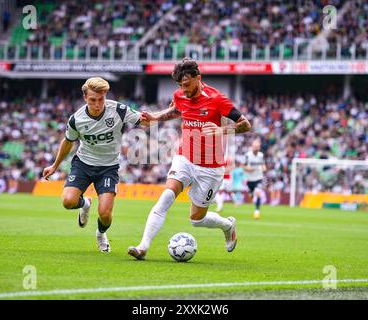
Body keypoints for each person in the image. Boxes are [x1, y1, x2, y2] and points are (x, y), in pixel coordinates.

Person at [128, 58, 251, 260]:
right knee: (167, 196)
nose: (183, 90)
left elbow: (245, 124)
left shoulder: (217, 99)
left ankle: (228, 225)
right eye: (180, 86)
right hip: (185, 157)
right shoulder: (180, 95)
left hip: (210, 166)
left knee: (196, 219)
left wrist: (222, 130)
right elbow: (177, 109)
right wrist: (155, 117)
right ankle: (143, 247)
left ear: (198, 78)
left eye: (186, 84)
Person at [42, 77, 149, 253]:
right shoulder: (76, 119)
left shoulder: (118, 110)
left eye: (101, 100)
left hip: (108, 167)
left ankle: (100, 234)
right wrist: (54, 166)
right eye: (93, 100)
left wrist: (171, 112)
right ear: (85, 98)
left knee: (105, 215)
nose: (97, 104)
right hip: (83, 164)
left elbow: (147, 120)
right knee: (68, 201)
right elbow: (68, 142)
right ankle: (85, 204)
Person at [243, 138, 267, 219]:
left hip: (258, 178)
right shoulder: (247, 155)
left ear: (259, 148)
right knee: (251, 195)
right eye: (255, 147)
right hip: (250, 179)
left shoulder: (261, 155)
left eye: (257, 147)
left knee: (258, 193)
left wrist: (264, 168)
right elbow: (243, 166)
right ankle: (251, 194)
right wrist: (249, 169)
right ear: (252, 147)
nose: (256, 149)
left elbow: (263, 164)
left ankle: (257, 211)